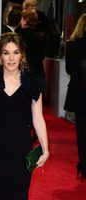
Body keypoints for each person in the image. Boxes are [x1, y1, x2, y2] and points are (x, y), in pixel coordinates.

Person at [0, 32, 49, 200]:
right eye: (6, 53)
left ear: (22, 55)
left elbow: (38, 118)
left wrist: (45, 149)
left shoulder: (32, 82)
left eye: (16, 52)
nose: (11, 58)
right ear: (0, 56)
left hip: (20, 148)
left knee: (18, 193)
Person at [64, 13, 86, 181]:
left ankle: (83, 166)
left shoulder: (72, 45)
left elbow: (69, 70)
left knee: (82, 132)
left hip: (79, 93)